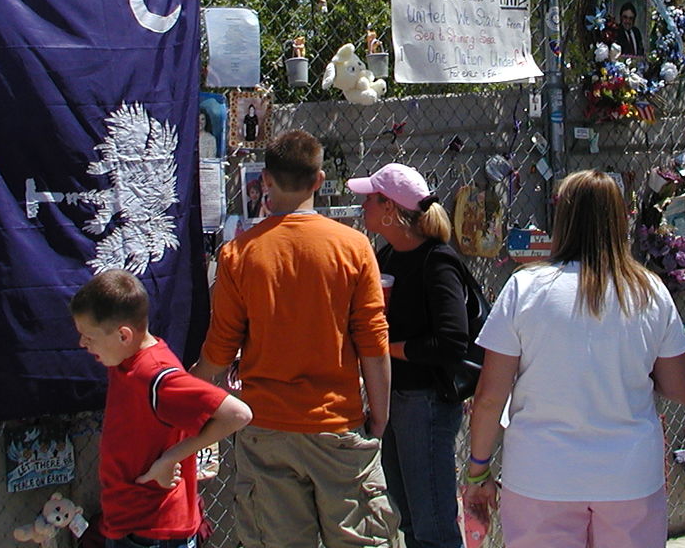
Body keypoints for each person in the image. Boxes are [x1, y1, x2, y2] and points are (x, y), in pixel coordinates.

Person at [461, 170, 685, 548]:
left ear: (563, 219)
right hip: (630, 477)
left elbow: (488, 397)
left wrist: (477, 471)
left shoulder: (525, 288)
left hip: (540, 477)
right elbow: (680, 388)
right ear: (621, 219)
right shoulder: (650, 291)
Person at [192, 129, 397, 548]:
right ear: (319, 180)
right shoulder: (354, 248)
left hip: (266, 430)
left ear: (265, 180)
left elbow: (220, 349)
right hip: (338, 424)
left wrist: (188, 394)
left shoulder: (238, 254)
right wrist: (379, 414)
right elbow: (374, 345)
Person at [70, 269, 252, 548]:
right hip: (129, 521)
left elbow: (238, 414)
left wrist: (170, 458)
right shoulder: (123, 359)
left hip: (155, 530)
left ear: (123, 335)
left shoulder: (158, 377)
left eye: (89, 336)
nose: (82, 343)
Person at [352, 162, 470, 548]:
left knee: (433, 524)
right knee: (411, 520)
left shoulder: (438, 261)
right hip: (398, 399)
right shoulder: (386, 257)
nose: (362, 207)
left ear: (390, 208)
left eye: (370, 199)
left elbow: (452, 342)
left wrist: (385, 348)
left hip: (428, 402)